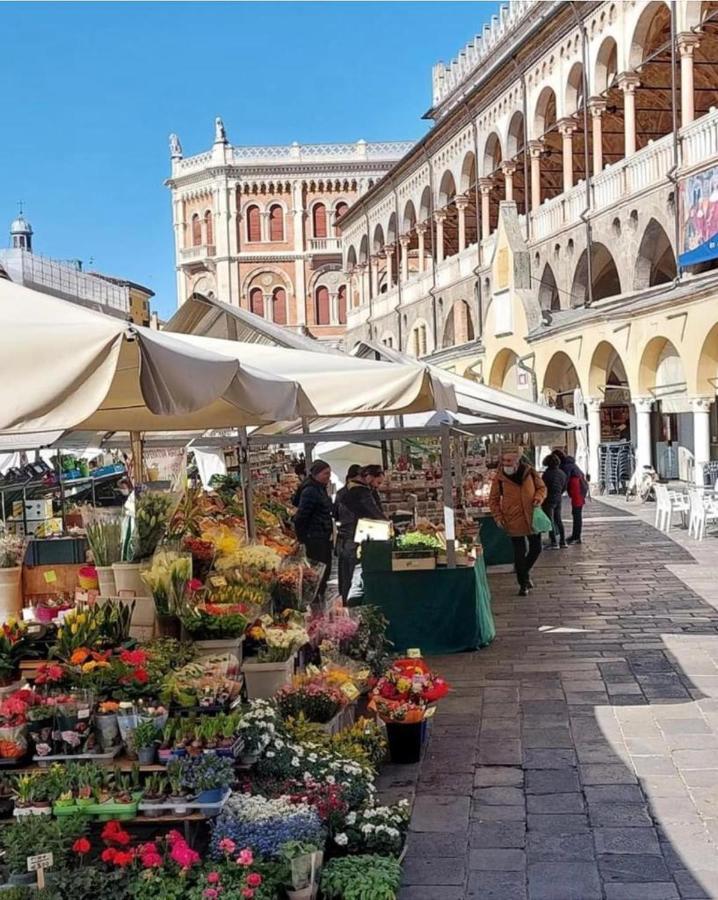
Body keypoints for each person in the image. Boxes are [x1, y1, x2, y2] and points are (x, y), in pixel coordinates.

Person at [489, 445, 547, 596]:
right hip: (512, 518)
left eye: (509, 460)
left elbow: (542, 488)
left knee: (536, 548)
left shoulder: (529, 472)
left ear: (517, 461)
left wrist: (538, 498)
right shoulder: (499, 477)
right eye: (504, 460)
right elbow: (493, 499)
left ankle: (524, 573)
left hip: (531, 516)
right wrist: (498, 516)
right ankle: (523, 584)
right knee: (519, 552)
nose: (505, 463)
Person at [335, 464, 386, 601]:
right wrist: (389, 524)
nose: (378, 486)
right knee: (354, 577)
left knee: (345, 576)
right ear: (369, 477)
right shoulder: (362, 492)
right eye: (378, 482)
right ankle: (352, 606)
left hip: (344, 539)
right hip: (355, 538)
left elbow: (335, 513)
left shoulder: (344, 491)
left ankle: (345, 603)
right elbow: (374, 513)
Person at [292, 460, 333, 600]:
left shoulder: (319, 488)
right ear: (316, 474)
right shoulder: (310, 491)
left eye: (329, 473)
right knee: (318, 569)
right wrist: (302, 538)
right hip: (314, 537)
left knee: (324, 568)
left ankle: (319, 595)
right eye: (326, 473)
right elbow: (301, 516)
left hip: (320, 534)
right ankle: (315, 597)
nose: (329, 476)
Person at [541, 453, 567, 549]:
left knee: (550, 520)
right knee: (558, 520)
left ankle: (553, 542)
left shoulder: (546, 474)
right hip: (558, 498)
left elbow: (543, 487)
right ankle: (563, 541)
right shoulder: (562, 473)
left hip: (548, 499)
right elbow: (564, 487)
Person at [566, 466, 586, 544]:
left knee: (577, 517)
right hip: (579, 497)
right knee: (576, 516)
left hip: (577, 498)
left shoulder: (574, 478)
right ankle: (575, 536)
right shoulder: (576, 473)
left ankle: (576, 537)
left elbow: (573, 492)